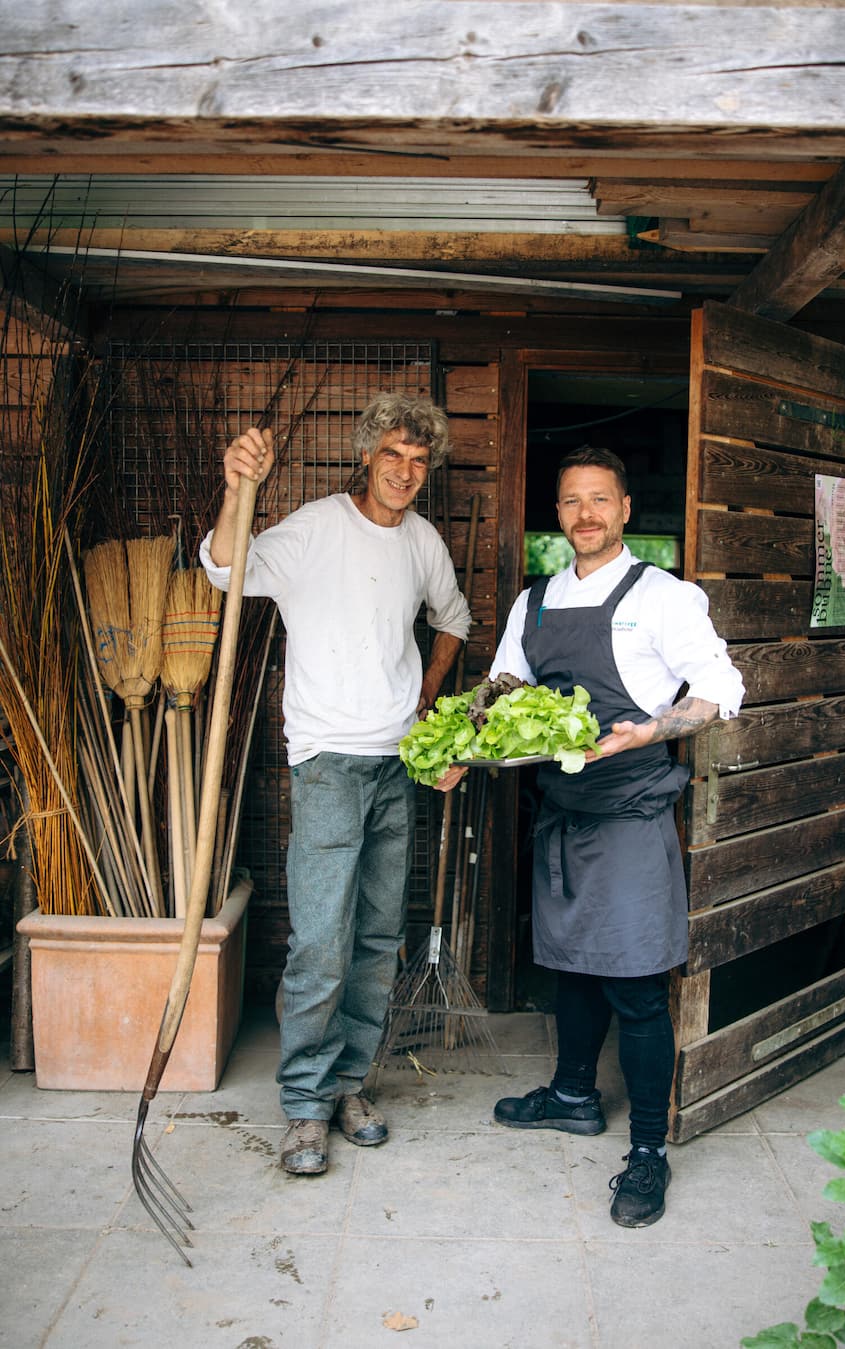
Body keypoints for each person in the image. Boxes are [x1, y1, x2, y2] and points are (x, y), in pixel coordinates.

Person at [438, 445, 744, 1227]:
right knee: (571, 966)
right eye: (572, 501)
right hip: (563, 814)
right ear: (560, 511)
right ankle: (574, 1093)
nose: (585, 514)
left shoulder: (664, 597)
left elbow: (720, 686)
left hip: (633, 814)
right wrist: (461, 751)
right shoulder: (533, 603)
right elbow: (503, 694)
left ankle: (649, 1151)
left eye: (600, 499)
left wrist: (651, 732)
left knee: (637, 986)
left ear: (625, 510)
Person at [201, 393, 471, 1176]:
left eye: (421, 462)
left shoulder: (422, 541)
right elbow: (225, 566)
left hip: (398, 764)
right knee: (321, 938)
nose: (407, 473)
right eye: (394, 454)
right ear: (366, 454)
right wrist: (233, 486)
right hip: (325, 761)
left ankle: (351, 1083)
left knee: (378, 934)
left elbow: (451, 619)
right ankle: (305, 1106)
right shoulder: (316, 528)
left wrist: (425, 699)